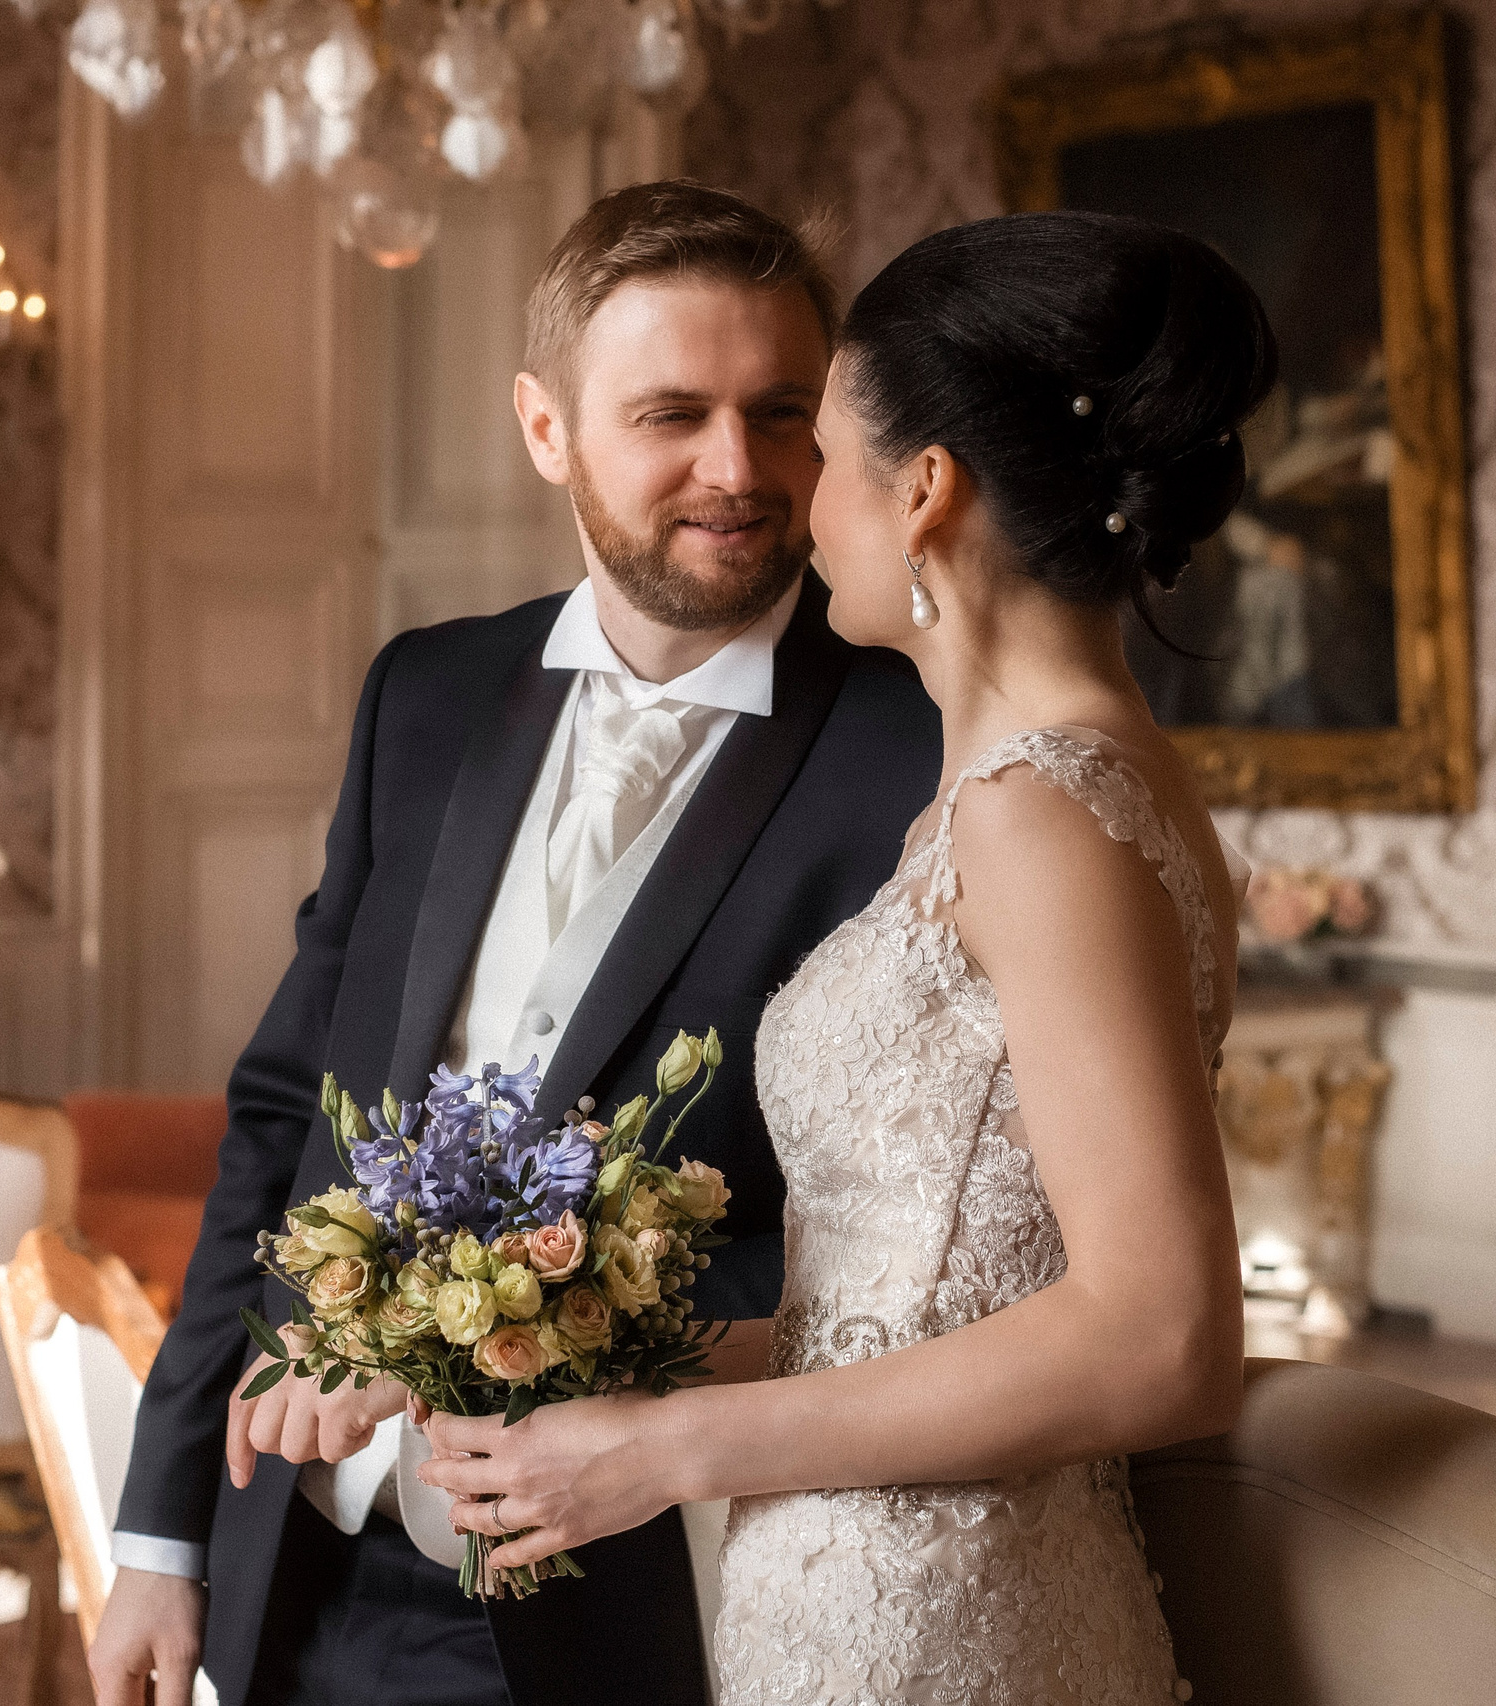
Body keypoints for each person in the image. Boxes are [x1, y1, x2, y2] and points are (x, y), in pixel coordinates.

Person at [88, 181, 941, 1706]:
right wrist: (162, 1531)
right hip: (298, 1552)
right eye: (671, 413)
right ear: (545, 429)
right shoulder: (424, 692)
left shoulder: (919, 751)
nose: (737, 469)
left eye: (781, 411)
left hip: (631, 1585)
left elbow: (894, 1250)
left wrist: (457, 1343)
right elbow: (288, 1117)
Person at [416, 210, 1277, 1705]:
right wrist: (612, 1379)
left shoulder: (1038, 816)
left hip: (949, 1618)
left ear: (924, 489)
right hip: (851, 1588)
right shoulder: (1046, 786)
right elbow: (912, 1293)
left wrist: (668, 1451)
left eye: (819, 443)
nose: (789, 499)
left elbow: (1163, 1331)